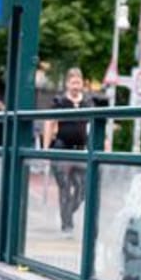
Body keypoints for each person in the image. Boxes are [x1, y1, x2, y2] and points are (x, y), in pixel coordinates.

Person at [42, 68, 89, 233]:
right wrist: (46, 149)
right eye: (73, 82)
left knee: (83, 188)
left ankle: (67, 212)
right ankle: (67, 225)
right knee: (65, 187)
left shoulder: (87, 103)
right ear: (68, 83)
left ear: (82, 83)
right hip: (61, 149)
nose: (76, 86)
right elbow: (49, 122)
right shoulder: (59, 101)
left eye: (78, 82)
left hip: (80, 151)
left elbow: (94, 124)